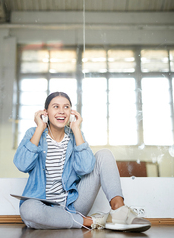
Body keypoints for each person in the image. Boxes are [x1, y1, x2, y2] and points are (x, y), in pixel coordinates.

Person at [13, 91, 151, 232]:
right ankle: (94, 221)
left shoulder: (75, 135)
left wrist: (76, 129)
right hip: (42, 205)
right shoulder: (33, 133)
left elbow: (85, 168)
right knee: (29, 211)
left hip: (73, 204)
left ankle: (119, 211)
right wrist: (40, 127)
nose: (61, 111)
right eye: (55, 106)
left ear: (71, 112)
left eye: (66, 107)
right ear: (46, 111)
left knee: (104, 154)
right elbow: (22, 164)